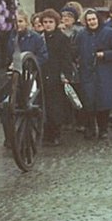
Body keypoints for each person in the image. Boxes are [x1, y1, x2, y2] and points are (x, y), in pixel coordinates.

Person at [73, 8, 112, 139]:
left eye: (93, 19)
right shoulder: (82, 34)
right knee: (88, 102)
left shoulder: (110, 33)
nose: (91, 22)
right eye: (89, 20)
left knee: (104, 102)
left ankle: (103, 128)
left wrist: (105, 54)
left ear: (98, 19)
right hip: (87, 72)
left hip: (105, 72)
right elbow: (75, 51)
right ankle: (90, 127)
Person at [39, 8, 74, 146]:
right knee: (44, 104)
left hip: (56, 74)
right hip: (43, 73)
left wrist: (66, 75)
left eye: (50, 22)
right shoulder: (40, 38)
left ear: (56, 23)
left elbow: (66, 58)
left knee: (56, 106)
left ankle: (55, 133)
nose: (48, 25)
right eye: (45, 22)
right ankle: (46, 133)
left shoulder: (62, 38)